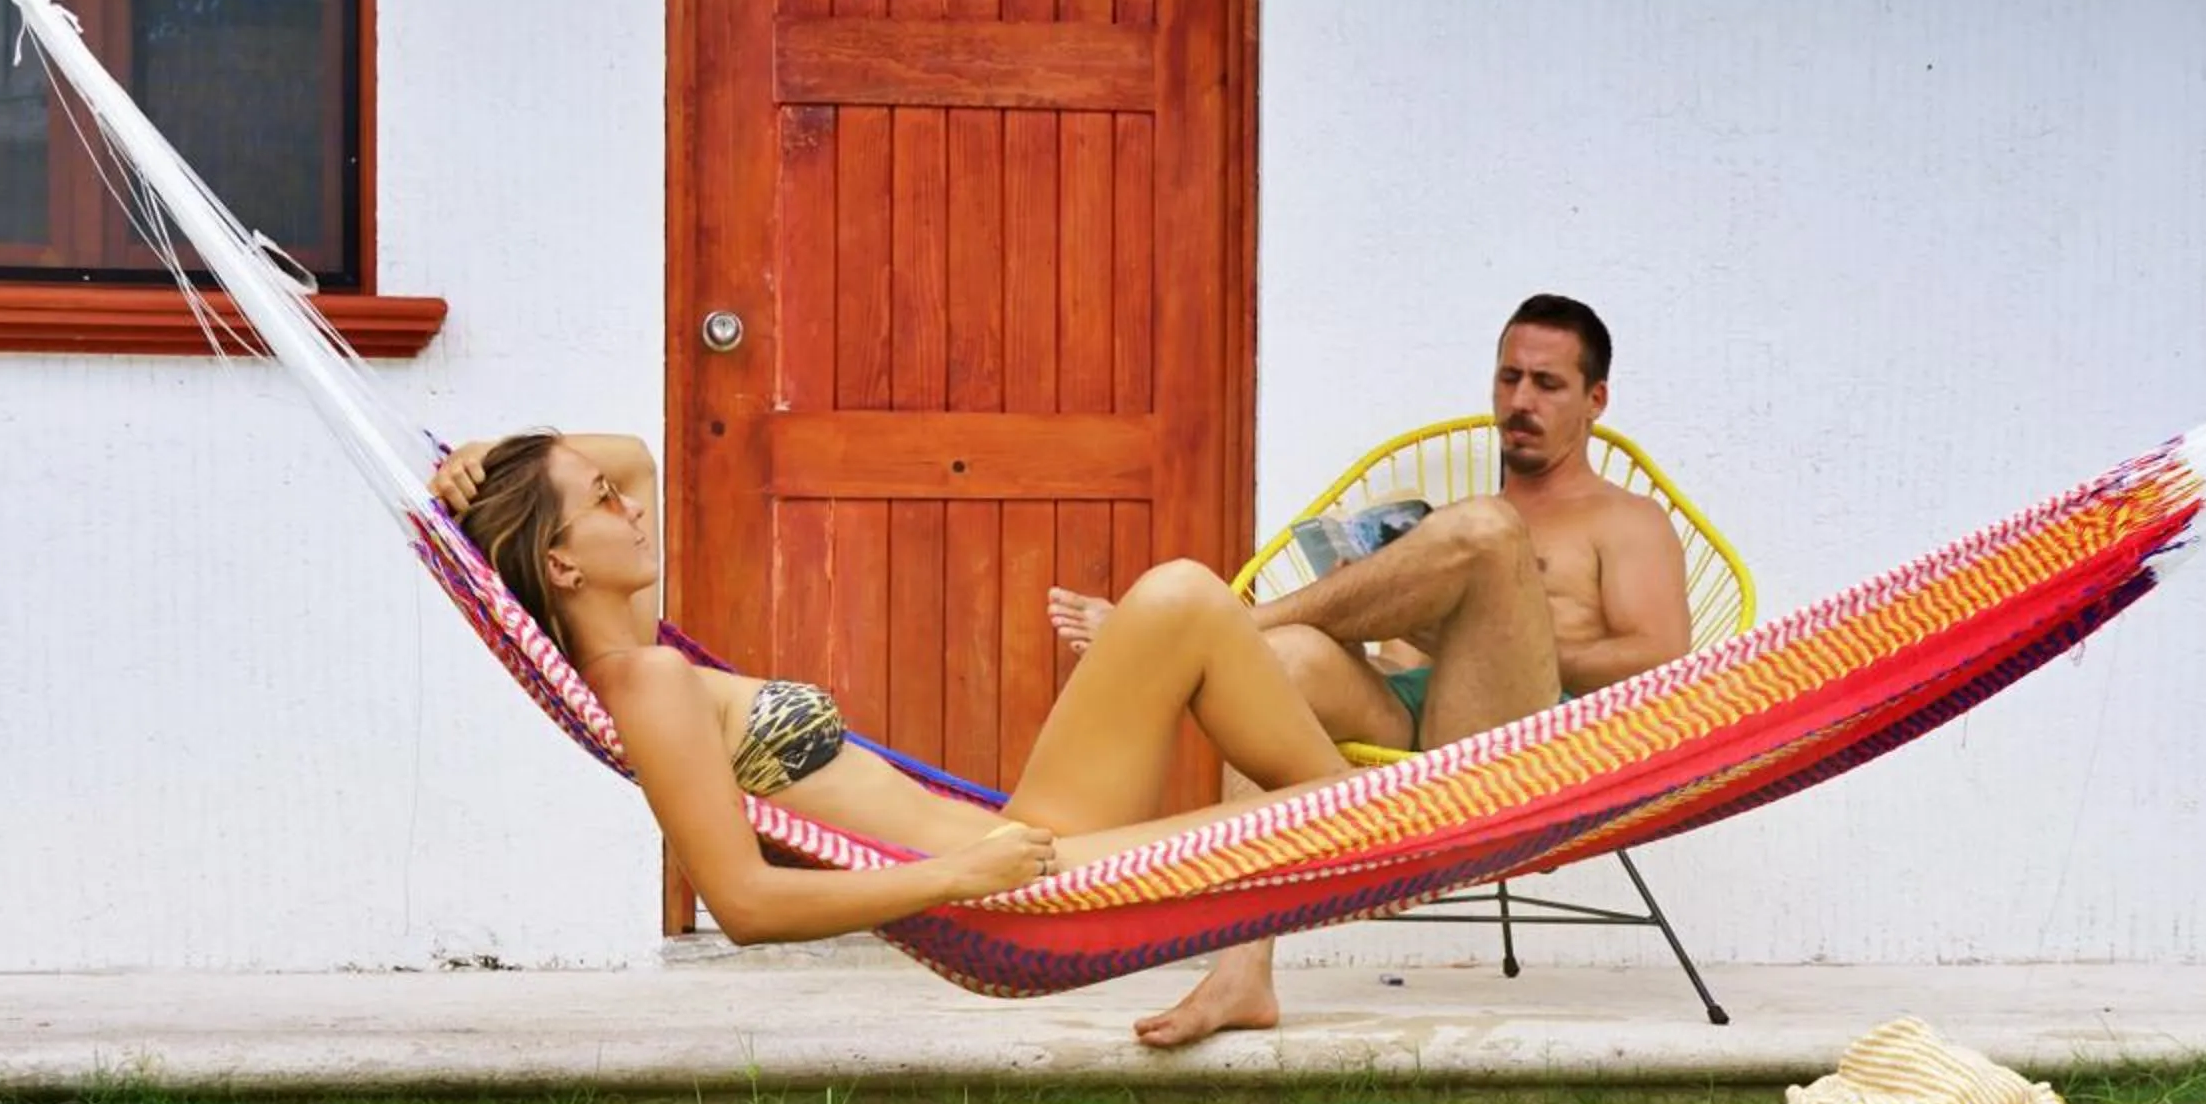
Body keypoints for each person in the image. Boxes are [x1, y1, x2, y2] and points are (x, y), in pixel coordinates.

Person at [429, 428, 1517, 949]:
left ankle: (1368, 838)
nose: (630, 501)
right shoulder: (649, 681)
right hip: (1012, 871)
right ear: (561, 566)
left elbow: (635, 453)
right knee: (1191, 613)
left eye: (618, 494)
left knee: (1186, 599)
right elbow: (747, 906)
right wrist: (962, 873)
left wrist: (491, 456)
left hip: (1016, 835)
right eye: (601, 503)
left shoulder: (651, 646)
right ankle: (1375, 840)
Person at [1047, 294, 1694, 1047]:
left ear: (1596, 400)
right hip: (1429, 726)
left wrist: (1480, 630)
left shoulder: (1623, 521)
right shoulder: (1457, 523)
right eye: (1508, 377)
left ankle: (1219, 622)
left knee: (1486, 531)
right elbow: (1412, 668)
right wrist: (1376, 624)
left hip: (1529, 747)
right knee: (1279, 664)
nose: (1520, 400)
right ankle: (1242, 972)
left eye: (1547, 384)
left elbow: (1660, 661)